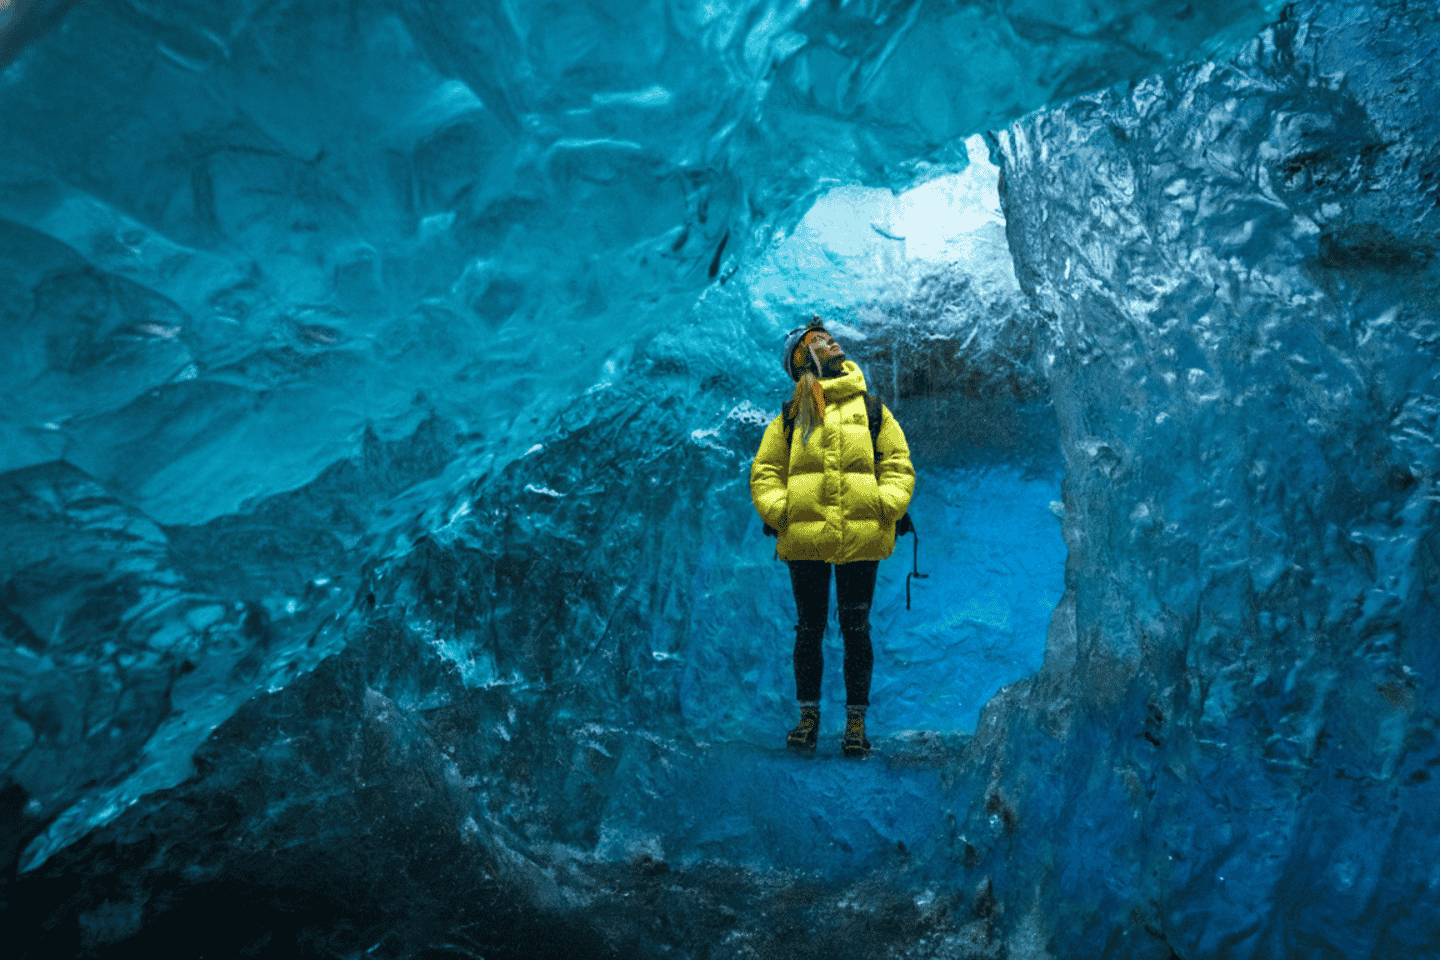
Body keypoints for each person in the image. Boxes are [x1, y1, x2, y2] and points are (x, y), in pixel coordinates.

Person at [749, 317, 915, 757]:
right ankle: (809, 719)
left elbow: (897, 462)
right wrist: (784, 512)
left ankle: (855, 724)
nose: (830, 342)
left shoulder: (872, 409)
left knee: (856, 629)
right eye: (816, 341)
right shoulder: (791, 415)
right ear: (802, 360)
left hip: (860, 537)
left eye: (828, 336)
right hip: (806, 540)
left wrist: (884, 505)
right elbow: (765, 471)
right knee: (810, 629)